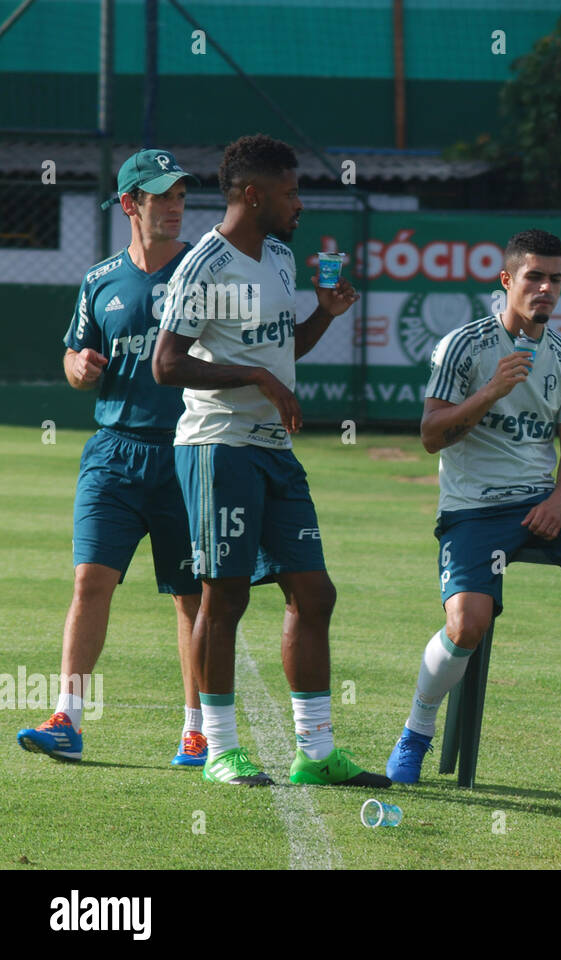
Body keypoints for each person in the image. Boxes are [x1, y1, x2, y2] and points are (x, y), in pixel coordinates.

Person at [153, 133, 387, 788]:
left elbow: (283, 354)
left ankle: (314, 752)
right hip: (218, 447)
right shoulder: (205, 264)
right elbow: (166, 363)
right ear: (253, 195)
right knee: (223, 598)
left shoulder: (281, 258)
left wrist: (323, 315)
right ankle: (219, 750)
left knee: (314, 593)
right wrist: (257, 376)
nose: (300, 203)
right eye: (289, 192)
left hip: (274, 453)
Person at [381, 228, 561, 786]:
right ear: (507, 281)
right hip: (473, 509)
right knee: (467, 622)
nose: (546, 288)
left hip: (542, 503)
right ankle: (416, 732)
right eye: (535, 277)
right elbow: (431, 435)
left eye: (555, 279)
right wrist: (488, 393)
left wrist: (558, 498)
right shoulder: (464, 346)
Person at [17, 149, 206, 767]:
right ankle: (67, 719)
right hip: (113, 451)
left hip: (188, 452)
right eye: (162, 197)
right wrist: (78, 366)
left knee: (190, 597)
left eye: (180, 195)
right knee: (89, 580)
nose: (175, 206)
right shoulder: (100, 279)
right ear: (131, 204)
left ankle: (196, 729)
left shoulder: (205, 273)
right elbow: (75, 359)